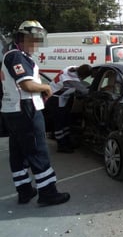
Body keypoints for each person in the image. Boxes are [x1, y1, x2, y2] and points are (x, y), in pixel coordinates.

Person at [1, 20, 70, 206]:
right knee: (38, 151)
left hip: (12, 111)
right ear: (23, 38)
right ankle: (48, 193)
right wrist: (46, 87)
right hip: (26, 110)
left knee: (18, 153)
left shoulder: (12, 55)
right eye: (34, 40)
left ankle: (24, 191)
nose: (36, 44)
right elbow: (27, 84)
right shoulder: (17, 56)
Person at [47, 64, 92, 153]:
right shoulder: (71, 79)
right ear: (83, 75)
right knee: (59, 123)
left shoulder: (72, 68)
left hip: (62, 98)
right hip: (55, 99)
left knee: (66, 121)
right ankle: (61, 145)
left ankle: (67, 141)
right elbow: (84, 91)